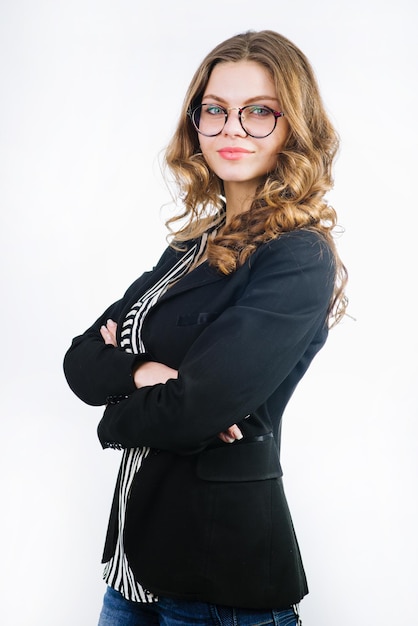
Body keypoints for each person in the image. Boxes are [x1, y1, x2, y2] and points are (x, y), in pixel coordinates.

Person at [63, 29, 347, 626]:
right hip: (132, 572)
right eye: (214, 110)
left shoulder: (297, 256)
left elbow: (198, 406)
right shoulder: (190, 247)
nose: (232, 129)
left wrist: (116, 414)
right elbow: (80, 358)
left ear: (293, 124)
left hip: (218, 587)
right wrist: (143, 372)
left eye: (258, 112)